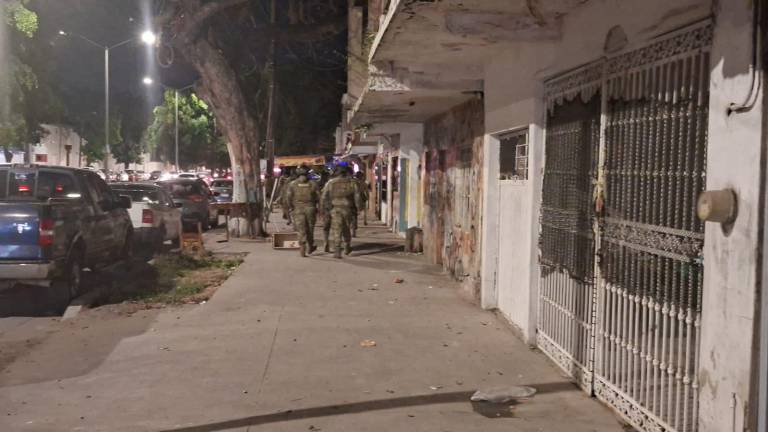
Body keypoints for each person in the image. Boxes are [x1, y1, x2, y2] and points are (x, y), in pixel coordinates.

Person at [321, 164, 361, 259]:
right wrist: (358, 208)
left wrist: (324, 208)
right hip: (347, 209)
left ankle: (337, 250)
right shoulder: (352, 183)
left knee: (336, 229)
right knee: (346, 228)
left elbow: (324, 197)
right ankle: (347, 246)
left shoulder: (330, 183)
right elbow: (357, 197)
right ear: (345, 172)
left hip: (335, 209)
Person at [284, 166, 320, 257]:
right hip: (310, 208)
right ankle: (310, 246)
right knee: (310, 228)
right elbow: (319, 197)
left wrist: (291, 207)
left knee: (301, 229)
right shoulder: (313, 183)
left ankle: (302, 247)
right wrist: (319, 207)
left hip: (298, 208)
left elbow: (288, 197)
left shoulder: (292, 184)